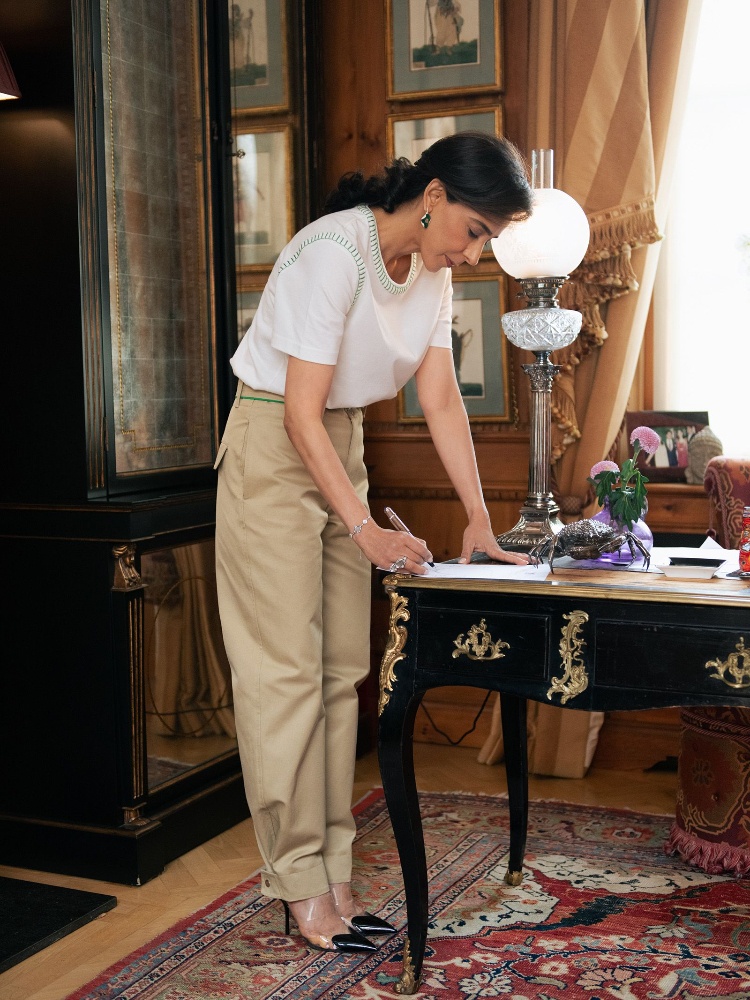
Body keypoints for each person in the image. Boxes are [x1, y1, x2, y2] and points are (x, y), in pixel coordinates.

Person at [214, 131, 532, 954]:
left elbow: (442, 399)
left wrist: (478, 519)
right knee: (284, 676)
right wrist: (364, 529)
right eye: (474, 229)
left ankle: (335, 874)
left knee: (340, 674)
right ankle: (297, 883)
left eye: (487, 239)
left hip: (337, 444)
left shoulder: (429, 273)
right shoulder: (330, 254)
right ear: (431, 197)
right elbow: (295, 412)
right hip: (274, 445)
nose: (474, 250)